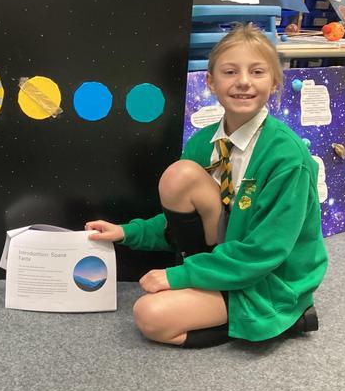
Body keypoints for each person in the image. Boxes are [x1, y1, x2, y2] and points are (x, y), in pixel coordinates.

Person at [86, 23, 328, 348]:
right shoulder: (203, 142)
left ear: (274, 83)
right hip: (226, 260)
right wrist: (126, 232)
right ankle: (209, 283)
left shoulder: (286, 156)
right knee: (179, 175)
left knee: (150, 315)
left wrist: (179, 276)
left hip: (268, 275)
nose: (243, 81)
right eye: (230, 72)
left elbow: (266, 250)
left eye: (257, 72)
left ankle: (290, 318)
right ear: (212, 82)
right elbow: (175, 224)